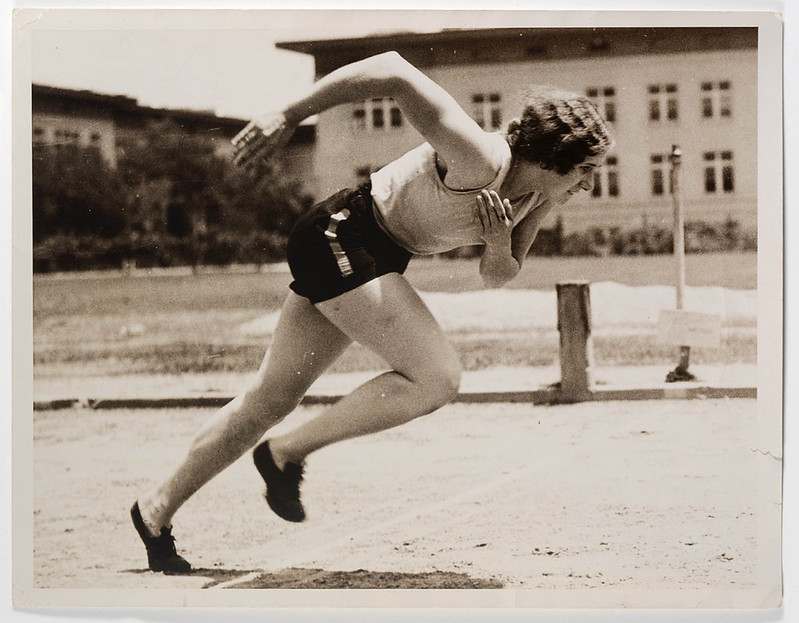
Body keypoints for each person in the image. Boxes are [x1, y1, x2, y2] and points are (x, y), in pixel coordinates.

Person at [130, 51, 615, 573]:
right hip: (342, 232)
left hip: (366, 252)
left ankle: (154, 511)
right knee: (436, 377)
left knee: (267, 401)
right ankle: (284, 454)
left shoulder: (536, 198)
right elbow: (393, 70)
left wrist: (496, 244)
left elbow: (498, 273)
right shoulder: (479, 157)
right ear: (553, 157)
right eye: (585, 171)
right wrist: (290, 113)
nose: (588, 184)